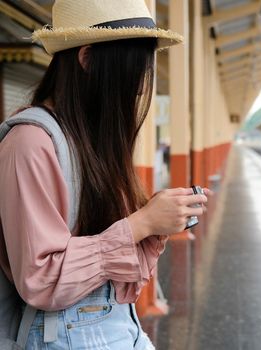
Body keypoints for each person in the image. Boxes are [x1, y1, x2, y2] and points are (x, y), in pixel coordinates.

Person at [0, 0, 209, 349]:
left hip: (119, 324)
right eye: (134, 72)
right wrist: (142, 223)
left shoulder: (93, 139)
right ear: (87, 59)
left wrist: (156, 221)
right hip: (62, 335)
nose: (142, 88)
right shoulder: (30, 144)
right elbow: (39, 279)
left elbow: (123, 268)